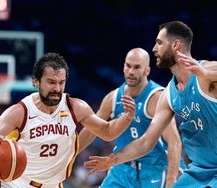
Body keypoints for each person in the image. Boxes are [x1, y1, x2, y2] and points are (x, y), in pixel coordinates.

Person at [84, 20, 217, 187]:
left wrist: (206, 73)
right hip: (199, 170)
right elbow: (146, 141)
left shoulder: (206, 73)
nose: (154, 49)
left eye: (159, 43)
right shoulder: (168, 94)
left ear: (175, 45)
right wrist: (113, 160)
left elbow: (212, 70)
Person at [0, 52, 135, 188]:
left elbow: (107, 132)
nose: (57, 88)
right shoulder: (19, 112)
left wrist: (126, 118)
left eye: (61, 82)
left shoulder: (75, 108)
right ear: (36, 81)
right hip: (16, 184)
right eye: (51, 82)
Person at [79, 48, 183, 188]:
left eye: (137, 67)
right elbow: (92, 129)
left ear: (147, 70)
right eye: (128, 66)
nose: (131, 71)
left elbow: (174, 142)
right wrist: (69, 154)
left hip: (154, 168)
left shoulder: (157, 98)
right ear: (123, 67)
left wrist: (171, 180)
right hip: (122, 168)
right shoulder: (113, 98)